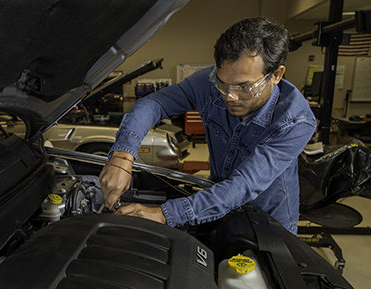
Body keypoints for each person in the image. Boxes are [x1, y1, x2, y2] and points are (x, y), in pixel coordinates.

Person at [99, 17, 317, 234]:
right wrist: (122, 157)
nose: (230, 96)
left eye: (244, 87)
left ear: (276, 75)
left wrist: (165, 214)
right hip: (214, 205)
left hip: (268, 225)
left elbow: (243, 185)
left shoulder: (295, 121)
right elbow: (153, 104)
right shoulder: (208, 82)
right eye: (224, 83)